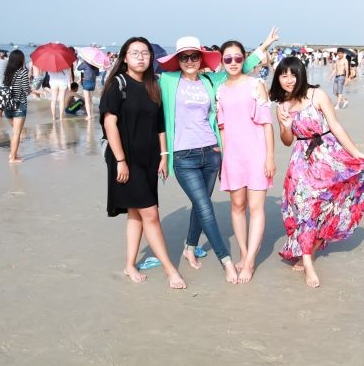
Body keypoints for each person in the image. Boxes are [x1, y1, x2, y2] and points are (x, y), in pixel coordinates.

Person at [157, 28, 277, 284]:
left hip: (211, 153)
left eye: (194, 56)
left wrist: (263, 47)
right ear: (177, 60)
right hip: (183, 155)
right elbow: (147, 101)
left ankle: (190, 247)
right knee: (204, 206)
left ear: (202, 58)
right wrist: (161, 153)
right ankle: (226, 260)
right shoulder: (167, 80)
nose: (190, 61)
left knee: (200, 205)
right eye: (184, 57)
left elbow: (239, 67)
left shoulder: (211, 81)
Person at [269, 56, 364, 288]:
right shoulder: (282, 106)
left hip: (328, 156)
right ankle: (308, 263)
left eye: (293, 74)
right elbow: (287, 141)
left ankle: (311, 248)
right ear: (278, 78)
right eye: (283, 75)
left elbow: (335, 126)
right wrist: (285, 126)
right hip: (301, 160)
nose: (289, 80)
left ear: (301, 75)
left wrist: (356, 152)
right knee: (303, 206)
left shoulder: (317, 95)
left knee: (326, 205)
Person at [99, 36, 186, 289]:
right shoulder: (118, 84)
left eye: (145, 53)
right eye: (135, 53)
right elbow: (109, 123)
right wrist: (120, 160)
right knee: (151, 213)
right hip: (126, 159)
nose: (140, 57)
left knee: (136, 213)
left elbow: (160, 125)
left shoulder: (152, 86)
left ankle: (129, 265)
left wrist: (164, 156)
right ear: (124, 57)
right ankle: (170, 270)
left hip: (149, 159)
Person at [216, 40, 276, 283]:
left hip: (257, 154)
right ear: (222, 61)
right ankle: (242, 252)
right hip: (232, 156)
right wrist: (223, 160)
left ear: (244, 59)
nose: (233, 62)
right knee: (237, 206)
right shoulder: (220, 90)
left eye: (238, 58)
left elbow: (267, 123)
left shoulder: (256, 84)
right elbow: (222, 128)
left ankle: (250, 261)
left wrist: (270, 157)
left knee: (256, 208)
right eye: (228, 59)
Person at [1, 50, 30, 163]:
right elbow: (26, 90)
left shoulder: (7, 72)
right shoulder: (23, 72)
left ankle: (13, 154)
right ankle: (12, 158)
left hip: (7, 105)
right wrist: (31, 90)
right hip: (19, 105)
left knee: (15, 131)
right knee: (17, 133)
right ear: (21, 59)